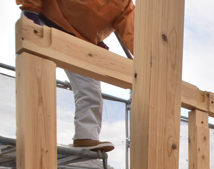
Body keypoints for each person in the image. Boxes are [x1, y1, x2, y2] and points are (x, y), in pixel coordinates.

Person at [17, 0, 135, 152]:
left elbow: (132, 33)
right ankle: (30, 137)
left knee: (90, 90)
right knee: (37, 80)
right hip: (46, 20)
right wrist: (30, 11)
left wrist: (148, 61)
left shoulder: (125, 5)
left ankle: (86, 137)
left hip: (81, 40)